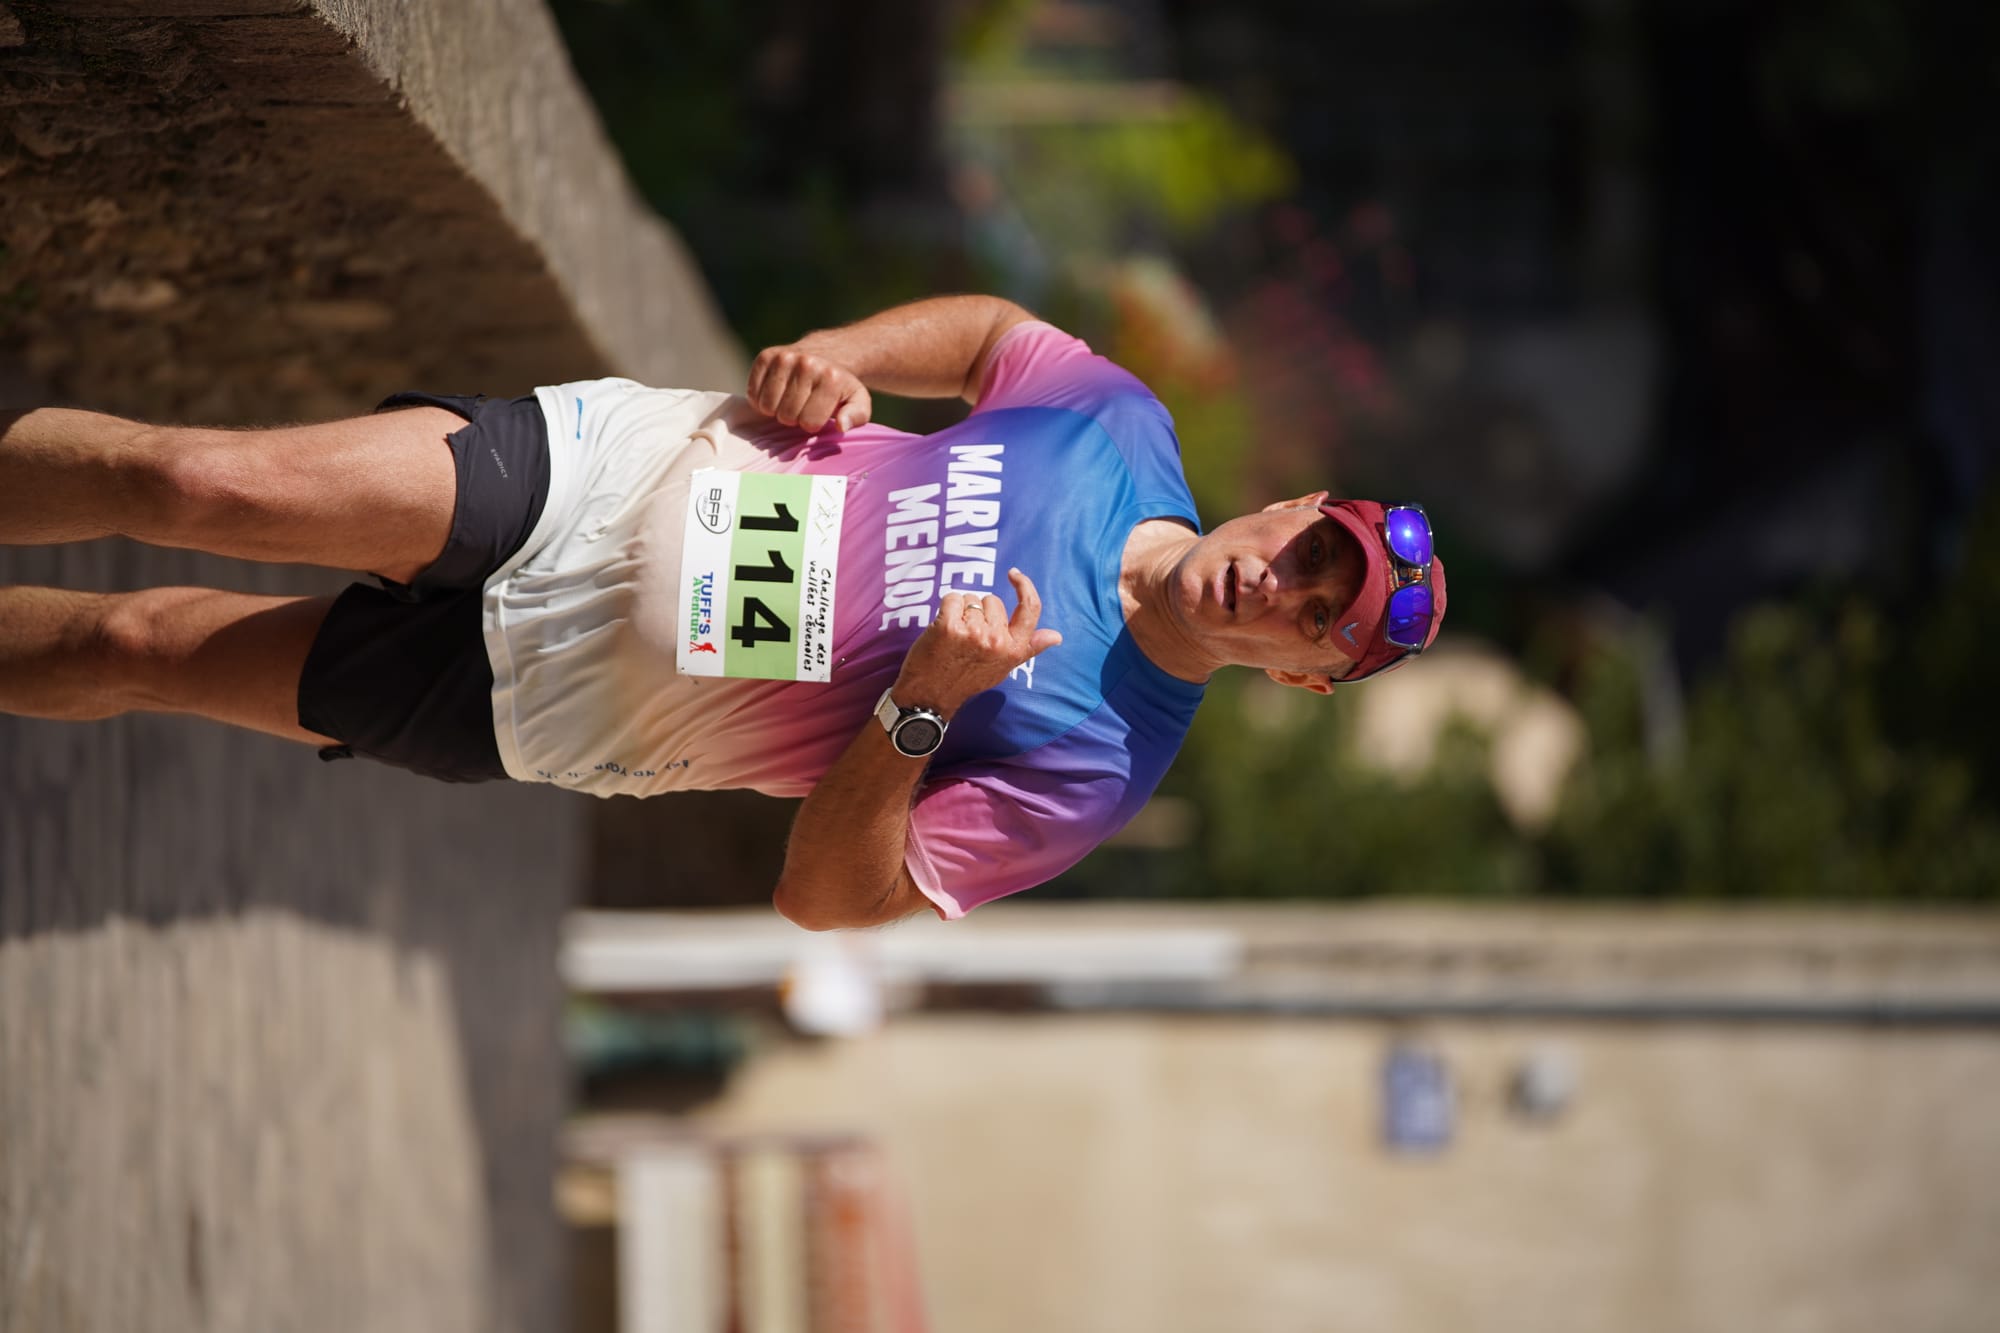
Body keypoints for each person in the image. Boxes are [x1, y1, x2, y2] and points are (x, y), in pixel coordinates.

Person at [0, 296, 1445, 927]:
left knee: (142, 648)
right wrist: (835, 352)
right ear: (1292, 504)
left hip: (560, 704)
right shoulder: (1119, 426)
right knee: (198, 478)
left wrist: (922, 701)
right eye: (1312, 551)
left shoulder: (1097, 770)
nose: (1282, 585)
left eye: (1316, 618)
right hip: (607, 481)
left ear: (1299, 675)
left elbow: (826, 900)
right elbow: (996, 333)